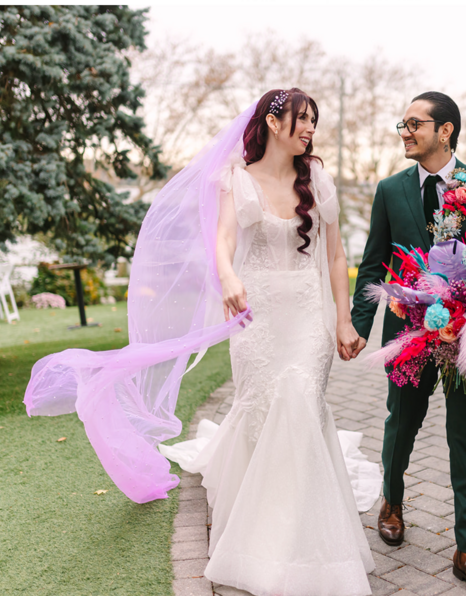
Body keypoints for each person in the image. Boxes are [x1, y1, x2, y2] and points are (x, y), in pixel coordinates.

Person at [154, 89, 380, 596]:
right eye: (303, 120)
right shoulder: (237, 178)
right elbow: (224, 240)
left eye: (314, 122)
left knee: (299, 403)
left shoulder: (317, 179)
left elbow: (337, 254)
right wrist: (228, 275)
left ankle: (297, 542)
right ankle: (265, 515)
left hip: (307, 316)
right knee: (260, 413)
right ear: (274, 123)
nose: (310, 130)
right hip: (256, 315)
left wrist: (343, 320)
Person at [351, 91, 466, 596]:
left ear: (446, 131)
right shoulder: (389, 190)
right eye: (402, 122)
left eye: (414, 123)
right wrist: (358, 324)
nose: (404, 130)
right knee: (401, 425)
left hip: (465, 337)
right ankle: (392, 501)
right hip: (405, 334)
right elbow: (374, 263)